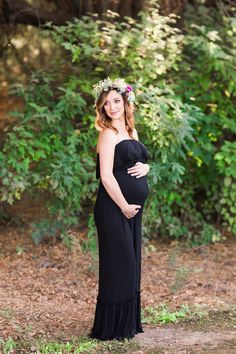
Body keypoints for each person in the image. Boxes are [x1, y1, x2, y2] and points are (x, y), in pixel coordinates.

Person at [90, 77, 150, 340]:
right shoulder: (108, 134)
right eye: (106, 104)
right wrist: (124, 205)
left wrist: (147, 167)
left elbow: (137, 164)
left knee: (132, 265)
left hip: (132, 211)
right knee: (120, 265)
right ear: (102, 108)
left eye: (116, 101)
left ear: (126, 102)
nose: (112, 107)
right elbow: (106, 176)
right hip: (113, 208)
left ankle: (127, 325)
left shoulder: (131, 132)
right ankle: (111, 328)